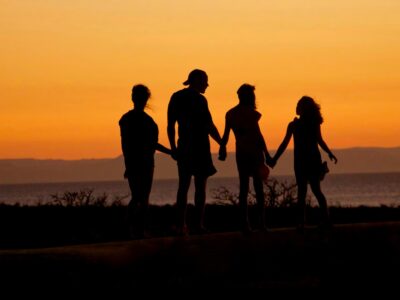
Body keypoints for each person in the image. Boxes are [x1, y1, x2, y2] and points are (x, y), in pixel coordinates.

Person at [167, 69, 222, 235]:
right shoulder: (196, 99)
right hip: (195, 148)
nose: (207, 84)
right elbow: (209, 125)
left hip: (187, 148)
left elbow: (171, 125)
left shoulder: (180, 97)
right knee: (197, 188)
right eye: (205, 80)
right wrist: (221, 143)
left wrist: (173, 148)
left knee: (184, 187)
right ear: (197, 80)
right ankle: (193, 225)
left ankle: (184, 225)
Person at [272, 96, 338, 232]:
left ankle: (310, 222)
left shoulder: (301, 125)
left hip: (306, 161)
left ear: (303, 108)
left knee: (308, 191)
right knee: (310, 191)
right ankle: (312, 221)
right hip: (306, 161)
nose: (296, 107)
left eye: (298, 105)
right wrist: (275, 158)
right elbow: (285, 144)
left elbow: (319, 140)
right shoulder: (297, 125)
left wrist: (329, 153)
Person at [219, 84, 273, 233]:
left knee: (244, 188)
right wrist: (267, 154)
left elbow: (225, 136)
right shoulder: (251, 113)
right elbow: (258, 136)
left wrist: (222, 148)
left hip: (242, 153)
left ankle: (246, 223)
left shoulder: (230, 114)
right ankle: (260, 224)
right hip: (254, 153)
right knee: (258, 189)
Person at [119, 84, 171, 238]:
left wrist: (127, 164)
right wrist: (171, 152)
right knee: (141, 197)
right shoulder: (146, 121)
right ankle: (137, 229)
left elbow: (126, 145)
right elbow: (151, 144)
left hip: (138, 162)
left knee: (138, 197)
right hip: (144, 163)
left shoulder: (128, 119)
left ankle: (134, 229)